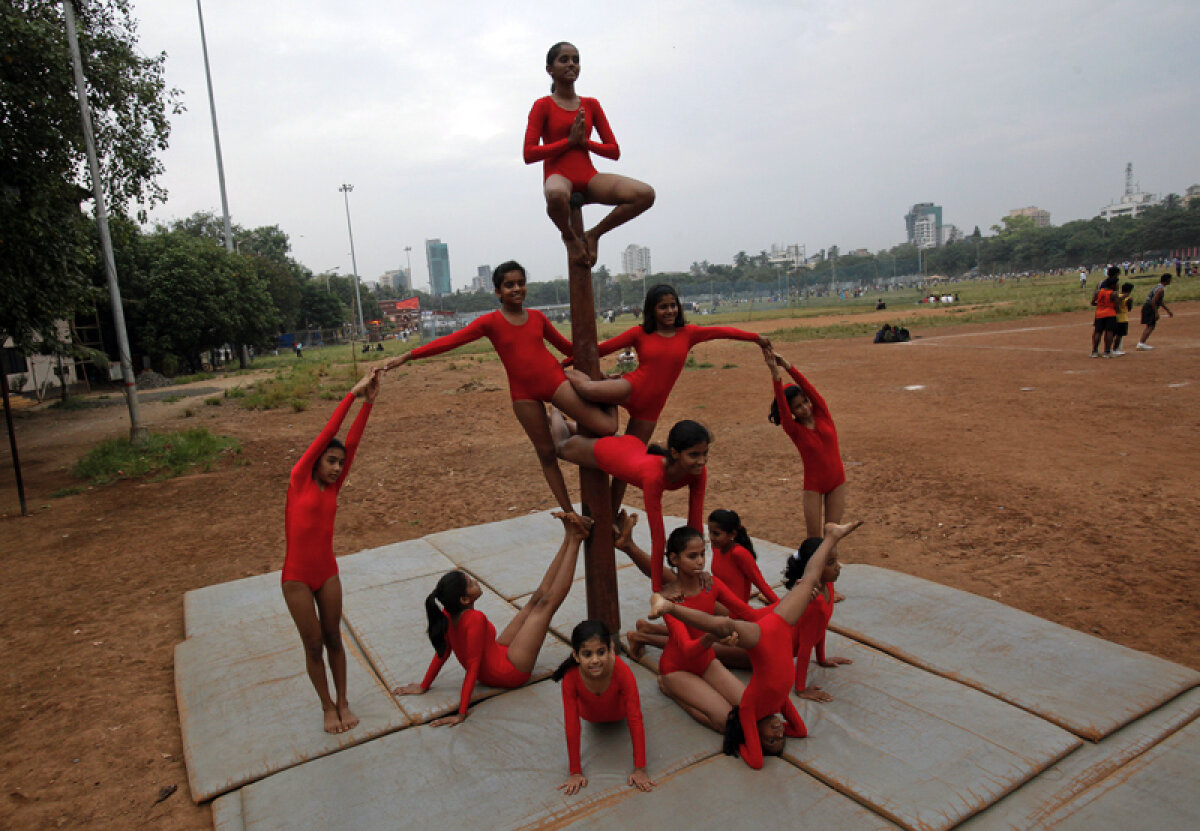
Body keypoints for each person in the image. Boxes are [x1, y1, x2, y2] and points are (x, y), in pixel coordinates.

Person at [381, 262, 616, 531]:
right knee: (547, 454)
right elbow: (451, 341)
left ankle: (557, 414)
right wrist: (406, 356)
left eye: (520, 283)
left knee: (605, 426)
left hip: (554, 381)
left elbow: (568, 348)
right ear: (497, 291)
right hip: (523, 394)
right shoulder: (490, 322)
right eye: (509, 285)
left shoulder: (538, 319)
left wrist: (606, 361)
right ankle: (570, 513)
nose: (516, 289)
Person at [649, 520, 862, 769]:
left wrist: (790, 604)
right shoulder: (667, 595)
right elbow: (686, 648)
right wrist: (712, 636)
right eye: (692, 556)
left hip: (707, 661)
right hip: (678, 667)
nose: (700, 561)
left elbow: (749, 615)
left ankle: (831, 536)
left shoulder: (712, 584)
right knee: (725, 722)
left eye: (703, 554)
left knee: (746, 710)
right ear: (674, 559)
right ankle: (668, 687)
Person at [564, 285, 768, 512]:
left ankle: (610, 514)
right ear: (652, 310)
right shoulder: (639, 333)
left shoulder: (688, 334)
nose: (669, 311)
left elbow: (723, 332)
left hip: (650, 410)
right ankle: (557, 377)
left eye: (673, 306)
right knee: (587, 390)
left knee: (627, 465)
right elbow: (602, 349)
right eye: (663, 307)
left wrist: (756, 338)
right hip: (631, 387)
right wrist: (563, 362)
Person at [395, 512, 592, 725]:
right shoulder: (475, 618)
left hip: (498, 653)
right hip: (509, 672)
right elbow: (472, 668)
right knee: (545, 606)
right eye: (471, 583)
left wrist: (424, 685)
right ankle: (576, 541)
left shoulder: (448, 614)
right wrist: (461, 712)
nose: (475, 582)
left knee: (535, 600)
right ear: (464, 599)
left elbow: (441, 654)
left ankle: (568, 537)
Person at [282, 368, 380, 734]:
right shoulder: (298, 482)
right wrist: (351, 397)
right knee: (312, 646)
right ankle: (326, 706)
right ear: (316, 462)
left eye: (341, 464)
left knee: (334, 637)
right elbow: (329, 435)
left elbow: (350, 443)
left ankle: (343, 701)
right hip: (296, 579)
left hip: (327, 573)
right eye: (331, 462)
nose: (337, 468)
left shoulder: (333, 489)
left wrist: (369, 404)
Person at [524, 41, 654, 268]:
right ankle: (570, 238)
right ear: (550, 69)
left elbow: (614, 151)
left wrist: (585, 143)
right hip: (559, 175)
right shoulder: (542, 105)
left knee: (645, 194)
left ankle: (594, 234)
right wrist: (568, 142)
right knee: (555, 195)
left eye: (576, 59)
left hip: (588, 176)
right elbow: (529, 153)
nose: (571, 64)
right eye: (564, 60)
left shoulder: (591, 104)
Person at [553, 414, 709, 590]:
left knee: (589, 439)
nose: (701, 461)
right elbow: (657, 538)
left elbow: (695, 522)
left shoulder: (698, 472)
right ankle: (556, 412)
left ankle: (569, 424)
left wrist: (699, 565)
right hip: (609, 453)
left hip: (632, 448)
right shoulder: (654, 476)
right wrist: (657, 590)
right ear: (674, 453)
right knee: (561, 446)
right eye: (694, 455)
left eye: (705, 454)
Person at [553, 620, 653, 796]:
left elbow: (635, 718)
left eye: (601, 652)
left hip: (619, 715)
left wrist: (640, 768)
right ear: (576, 656)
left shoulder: (622, 672)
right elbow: (571, 724)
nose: (595, 660)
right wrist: (575, 771)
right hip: (590, 717)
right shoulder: (571, 677)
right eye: (587, 654)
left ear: (611, 649)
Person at [764, 349, 846, 539]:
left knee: (832, 536)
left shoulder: (822, 413)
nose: (805, 408)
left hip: (837, 481)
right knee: (814, 540)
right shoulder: (795, 430)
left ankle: (830, 567)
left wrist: (787, 365)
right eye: (798, 407)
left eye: (805, 402)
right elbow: (783, 411)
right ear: (792, 411)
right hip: (814, 486)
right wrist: (775, 376)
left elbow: (807, 387)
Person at [783, 538, 851, 701]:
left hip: (779, 642)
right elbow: (805, 648)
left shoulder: (828, 586)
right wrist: (801, 689)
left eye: (836, 560)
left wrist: (822, 659)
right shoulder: (813, 602)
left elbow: (820, 629)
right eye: (830, 563)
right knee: (718, 648)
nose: (838, 567)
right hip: (769, 647)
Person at [707, 509, 779, 604]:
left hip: (735, 610)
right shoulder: (716, 547)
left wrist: (781, 607)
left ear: (732, 534)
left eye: (716, 534)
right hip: (719, 602)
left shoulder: (739, 553)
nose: (711, 537)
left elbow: (760, 583)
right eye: (709, 532)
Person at [1137, 274, 1173, 350]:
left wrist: (1167, 310)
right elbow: (1153, 301)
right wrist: (1156, 312)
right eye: (1170, 279)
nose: (1171, 281)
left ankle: (1141, 343)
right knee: (1151, 326)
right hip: (1150, 307)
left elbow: (1159, 301)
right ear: (1167, 280)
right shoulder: (1160, 290)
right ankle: (1141, 343)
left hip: (1147, 307)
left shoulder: (1158, 287)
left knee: (1150, 326)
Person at [1090, 268, 1120, 358]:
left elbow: (1092, 302)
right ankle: (1107, 351)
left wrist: (1100, 305)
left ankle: (1094, 351)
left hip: (1099, 312)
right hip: (1110, 313)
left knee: (1097, 332)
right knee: (1109, 332)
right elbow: (1116, 305)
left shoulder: (1099, 289)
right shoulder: (1113, 292)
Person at [1112, 282, 1135, 356]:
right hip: (1123, 318)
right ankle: (1115, 349)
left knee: (1113, 334)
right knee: (1120, 335)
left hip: (1114, 316)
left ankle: (1111, 348)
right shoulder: (1128, 299)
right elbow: (1129, 309)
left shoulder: (1117, 296)